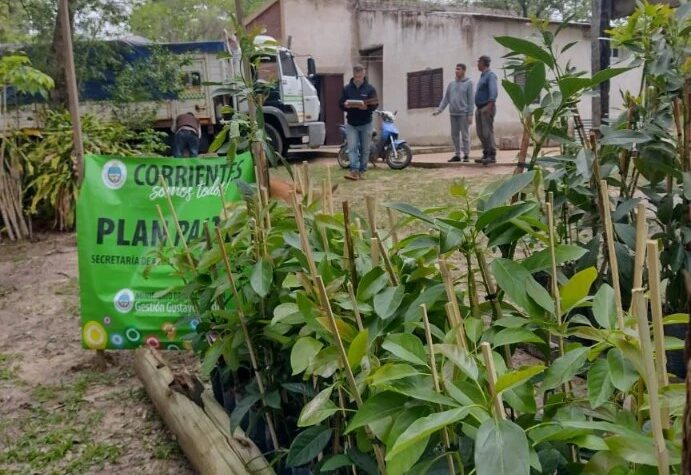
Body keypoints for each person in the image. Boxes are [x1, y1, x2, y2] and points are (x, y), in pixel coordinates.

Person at [338, 64, 379, 181]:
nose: (358, 79)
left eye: (360, 76)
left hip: (366, 123)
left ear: (364, 74)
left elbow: (375, 103)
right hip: (351, 124)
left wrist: (367, 108)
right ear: (354, 75)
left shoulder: (370, 89)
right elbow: (340, 103)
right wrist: (345, 105)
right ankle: (354, 170)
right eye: (356, 77)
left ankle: (362, 170)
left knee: (365, 149)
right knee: (351, 148)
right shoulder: (347, 89)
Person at [433, 63, 474, 162]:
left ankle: (466, 155)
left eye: (458, 69)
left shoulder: (469, 83)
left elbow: (471, 100)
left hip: (463, 114)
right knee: (454, 135)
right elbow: (446, 99)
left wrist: (470, 114)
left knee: (464, 135)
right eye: (456, 69)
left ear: (463, 71)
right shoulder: (451, 84)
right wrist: (439, 110)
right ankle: (457, 155)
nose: (456, 71)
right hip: (453, 114)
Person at [474, 55, 498, 165]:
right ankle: (486, 153)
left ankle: (492, 155)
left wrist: (490, 104)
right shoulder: (482, 76)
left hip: (487, 107)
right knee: (480, 133)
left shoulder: (490, 75)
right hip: (479, 108)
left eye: (479, 62)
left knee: (487, 131)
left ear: (483, 63)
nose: (477, 64)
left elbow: (493, 90)